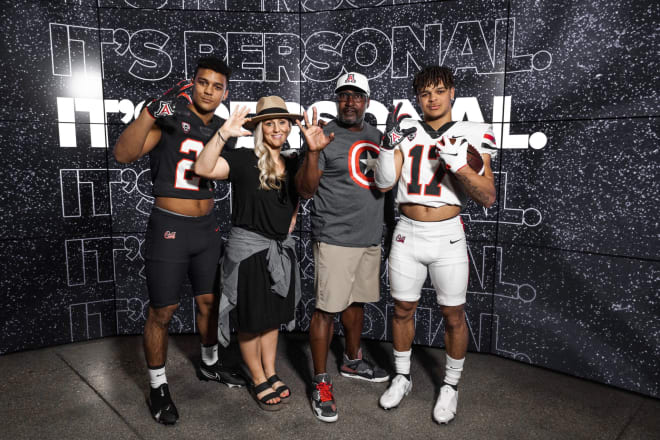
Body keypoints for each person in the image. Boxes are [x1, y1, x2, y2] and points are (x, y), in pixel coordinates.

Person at [113, 56, 245, 425]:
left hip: (207, 228)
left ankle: (209, 364)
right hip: (169, 226)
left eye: (217, 86)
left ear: (225, 92)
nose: (209, 90)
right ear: (193, 82)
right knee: (163, 311)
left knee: (208, 303)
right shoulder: (168, 117)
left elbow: (246, 171)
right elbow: (123, 154)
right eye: (203, 83)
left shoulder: (224, 126)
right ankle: (157, 385)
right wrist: (148, 114)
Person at [374, 65, 498, 424]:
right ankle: (402, 376)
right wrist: (387, 147)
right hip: (406, 231)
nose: (432, 98)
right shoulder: (407, 130)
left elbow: (488, 196)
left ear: (452, 93)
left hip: (448, 235)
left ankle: (451, 385)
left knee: (453, 314)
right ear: (417, 97)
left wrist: (460, 166)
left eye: (439, 91)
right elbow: (383, 184)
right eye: (425, 92)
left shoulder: (473, 132)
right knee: (401, 309)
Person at [194, 95, 303, 411]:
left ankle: (270, 371)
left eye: (282, 121)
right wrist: (224, 133)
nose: (277, 128)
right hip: (249, 253)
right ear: (259, 128)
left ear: (289, 126)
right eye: (269, 123)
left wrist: (293, 215)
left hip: (278, 251)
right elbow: (202, 167)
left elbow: (299, 193)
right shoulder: (243, 159)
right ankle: (257, 377)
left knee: (271, 320)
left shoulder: (294, 161)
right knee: (251, 320)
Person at [296, 72, 390, 423]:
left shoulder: (377, 137)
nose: (349, 102)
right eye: (343, 95)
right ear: (337, 100)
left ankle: (352, 359)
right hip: (334, 237)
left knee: (356, 302)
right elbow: (305, 190)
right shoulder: (324, 136)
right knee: (326, 310)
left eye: (357, 96)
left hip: (369, 237)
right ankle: (320, 381)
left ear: (367, 101)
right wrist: (312, 151)